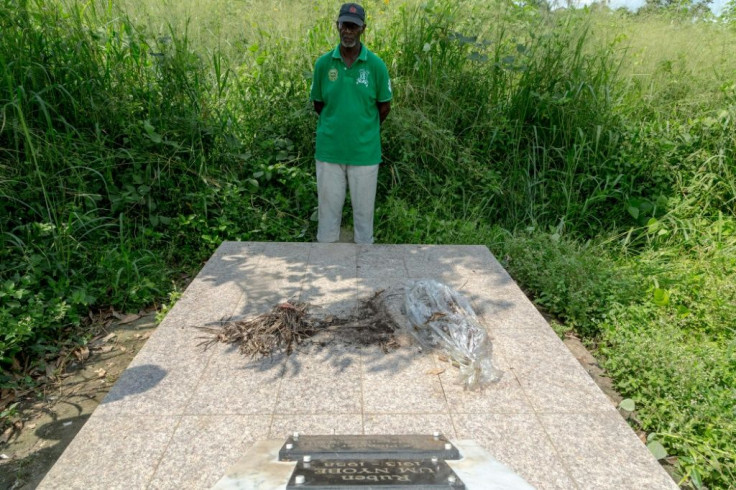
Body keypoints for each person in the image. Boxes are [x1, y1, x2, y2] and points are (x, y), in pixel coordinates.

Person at [310, 3, 392, 244]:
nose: (348, 31)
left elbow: (384, 107)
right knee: (327, 221)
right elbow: (319, 105)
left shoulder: (376, 66)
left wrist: (362, 130)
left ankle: (364, 275)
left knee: (364, 223)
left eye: (353, 26)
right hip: (329, 152)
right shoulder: (323, 65)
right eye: (344, 25)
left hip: (365, 154)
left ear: (363, 29)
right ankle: (325, 273)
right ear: (337, 26)